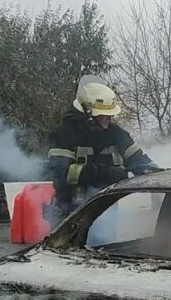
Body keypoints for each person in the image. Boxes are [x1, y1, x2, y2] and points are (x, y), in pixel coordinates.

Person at [46, 75, 159, 222]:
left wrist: (154, 170)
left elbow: (137, 157)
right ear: (89, 114)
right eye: (105, 115)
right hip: (70, 213)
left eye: (111, 115)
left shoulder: (116, 133)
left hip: (106, 212)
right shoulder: (63, 134)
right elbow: (62, 174)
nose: (110, 119)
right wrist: (106, 174)